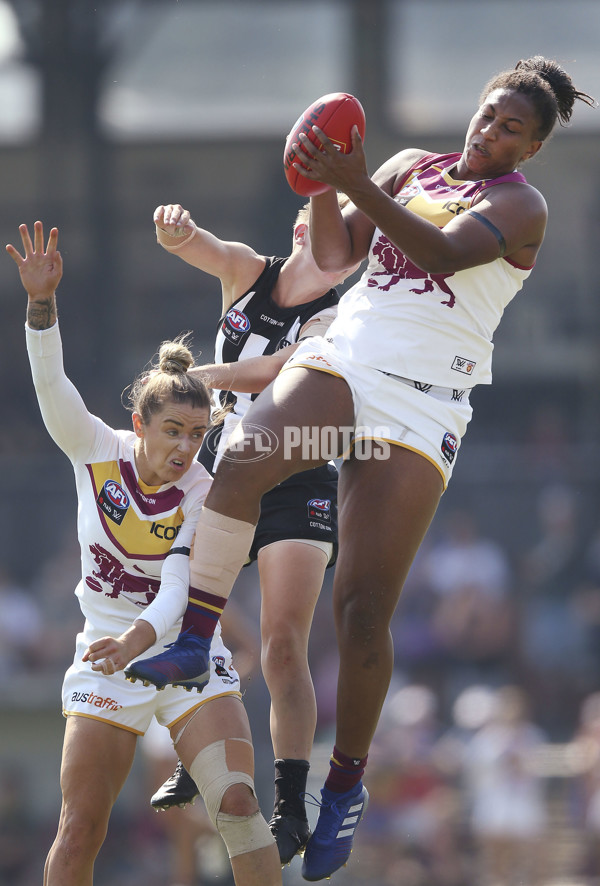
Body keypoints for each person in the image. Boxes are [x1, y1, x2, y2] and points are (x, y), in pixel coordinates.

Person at [123, 57, 595, 881]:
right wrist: (322, 184)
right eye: (488, 114)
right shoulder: (411, 166)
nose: (490, 131)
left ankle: (342, 786)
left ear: (532, 148)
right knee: (245, 457)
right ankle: (195, 638)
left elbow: (443, 254)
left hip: (421, 410)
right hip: (346, 364)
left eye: (512, 128)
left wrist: (351, 177)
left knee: (363, 611)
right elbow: (340, 249)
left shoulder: (521, 205)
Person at [6, 221, 282, 886]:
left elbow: (180, 590)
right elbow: (52, 388)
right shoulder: (95, 449)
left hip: (182, 650)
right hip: (106, 655)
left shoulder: (205, 492)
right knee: (79, 831)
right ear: (139, 425)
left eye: (197, 432)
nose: (185, 447)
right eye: (171, 431)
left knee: (239, 806)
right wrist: (41, 307)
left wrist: (138, 640)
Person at [133, 199, 360, 866]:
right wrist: (172, 227)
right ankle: (201, 754)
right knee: (186, 618)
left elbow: (277, 373)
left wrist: (204, 380)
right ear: (298, 229)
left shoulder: (338, 315)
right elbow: (197, 244)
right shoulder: (247, 273)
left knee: (282, 641)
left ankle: (292, 800)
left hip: (296, 474)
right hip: (224, 474)